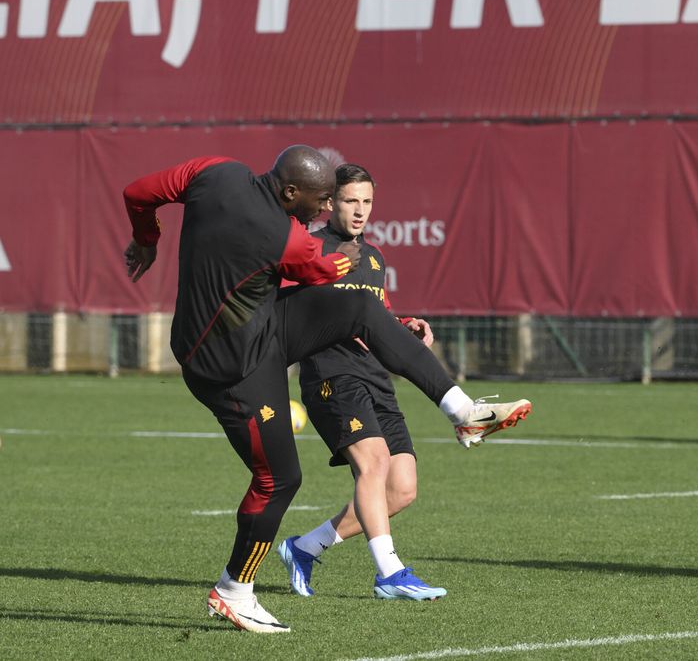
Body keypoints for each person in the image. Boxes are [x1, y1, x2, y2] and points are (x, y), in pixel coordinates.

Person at [122, 147, 532, 633]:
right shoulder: (285, 239)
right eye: (320, 202)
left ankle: (463, 410)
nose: (322, 211)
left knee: (360, 308)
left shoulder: (214, 171)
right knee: (280, 480)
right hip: (231, 367)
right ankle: (234, 591)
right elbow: (321, 270)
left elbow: (137, 193)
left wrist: (147, 239)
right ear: (290, 191)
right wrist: (345, 259)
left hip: (256, 328)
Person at [277, 163, 446, 602]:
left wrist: (403, 326)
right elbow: (287, 311)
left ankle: (304, 547)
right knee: (372, 465)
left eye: (367, 202)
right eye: (351, 200)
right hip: (332, 375)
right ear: (330, 203)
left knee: (403, 488)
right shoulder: (309, 249)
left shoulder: (373, 258)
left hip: (375, 376)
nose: (360, 211)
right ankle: (390, 574)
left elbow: (376, 314)